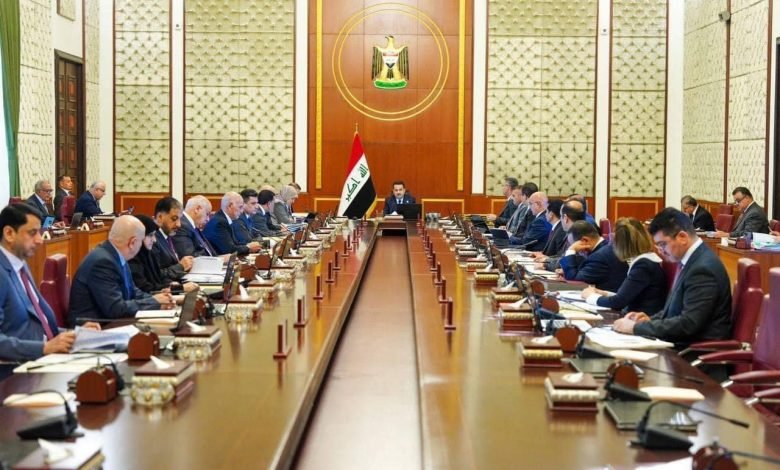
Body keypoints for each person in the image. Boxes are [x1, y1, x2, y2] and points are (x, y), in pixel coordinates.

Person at [0, 204, 99, 376]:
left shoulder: (20, 264)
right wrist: (44, 348)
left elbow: (38, 325)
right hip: (15, 373)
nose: (40, 240)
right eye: (32, 233)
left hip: (42, 362)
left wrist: (73, 335)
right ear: (9, 233)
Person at [613, 208, 732, 347]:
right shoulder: (692, 260)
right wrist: (649, 320)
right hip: (681, 344)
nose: (660, 251)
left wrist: (636, 328)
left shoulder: (703, 269)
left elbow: (688, 324)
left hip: (694, 353)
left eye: (663, 244)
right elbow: (676, 310)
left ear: (682, 237)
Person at [68, 215, 171, 326]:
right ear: (132, 242)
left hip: (111, 323)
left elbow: (133, 292)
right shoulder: (102, 262)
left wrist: (159, 299)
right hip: (94, 329)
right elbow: (115, 309)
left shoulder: (115, 255)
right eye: (141, 241)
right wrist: (153, 302)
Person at [580, 218, 667, 314]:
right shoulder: (645, 260)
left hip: (640, 318)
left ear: (621, 245)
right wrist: (604, 293)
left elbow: (618, 302)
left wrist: (590, 297)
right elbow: (627, 296)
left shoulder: (643, 266)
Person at [129, 215, 198, 294]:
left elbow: (159, 277)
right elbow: (145, 288)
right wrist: (179, 288)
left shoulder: (149, 253)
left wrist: (171, 284)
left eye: (154, 235)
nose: (154, 240)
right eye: (150, 235)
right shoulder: (132, 259)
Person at [559, 220, 628, 292]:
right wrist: (568, 271)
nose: (577, 251)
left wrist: (570, 251)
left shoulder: (599, 257)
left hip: (609, 297)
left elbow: (574, 281)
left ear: (585, 240)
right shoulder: (606, 246)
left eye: (574, 245)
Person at [152, 197, 193, 280]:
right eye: (174, 219)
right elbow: (156, 275)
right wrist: (181, 266)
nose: (179, 224)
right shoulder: (152, 239)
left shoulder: (167, 236)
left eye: (180, 219)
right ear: (160, 217)